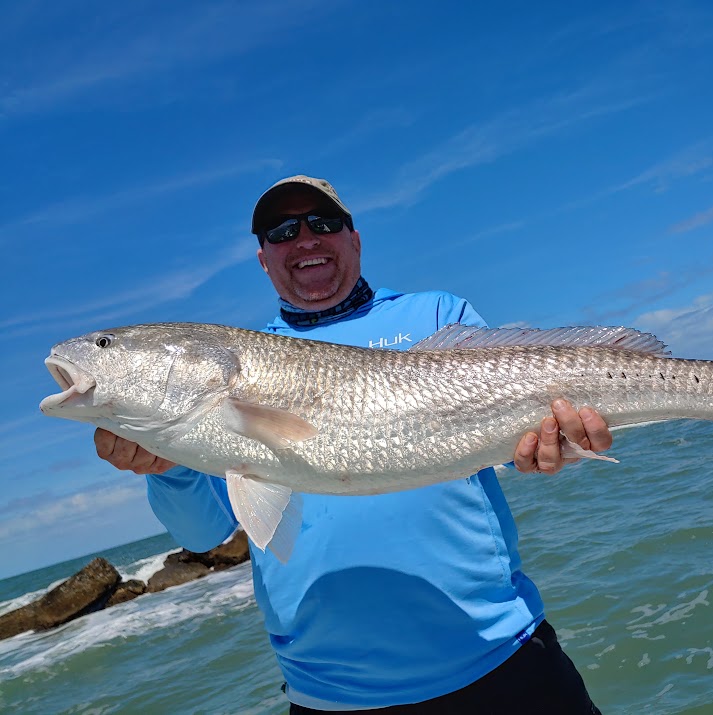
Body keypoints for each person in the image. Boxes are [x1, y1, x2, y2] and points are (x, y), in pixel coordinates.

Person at [94, 175, 610, 714]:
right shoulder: (232, 375)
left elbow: (517, 436)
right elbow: (202, 533)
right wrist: (165, 466)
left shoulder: (436, 316)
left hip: (503, 660)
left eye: (323, 223)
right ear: (264, 258)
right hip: (332, 696)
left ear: (354, 238)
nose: (305, 238)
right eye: (282, 230)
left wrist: (556, 445)